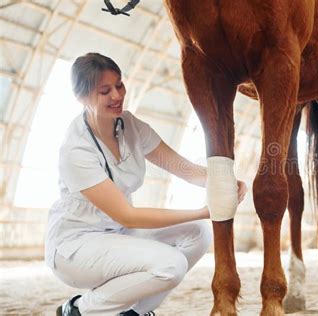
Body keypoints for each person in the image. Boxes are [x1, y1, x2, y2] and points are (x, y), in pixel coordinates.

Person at [44, 52, 247, 316]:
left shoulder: (130, 125)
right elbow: (128, 216)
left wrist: (223, 181)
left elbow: (182, 168)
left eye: (119, 85)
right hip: (77, 247)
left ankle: (133, 313)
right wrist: (204, 211)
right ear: (81, 98)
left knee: (198, 233)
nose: (117, 95)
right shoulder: (76, 149)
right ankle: (79, 310)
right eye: (105, 91)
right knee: (170, 265)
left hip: (116, 234)